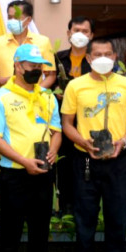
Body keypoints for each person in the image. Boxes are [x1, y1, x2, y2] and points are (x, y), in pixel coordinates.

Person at [61, 38, 126, 252]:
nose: (103, 58)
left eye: (108, 53)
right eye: (97, 54)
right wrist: (82, 141)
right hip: (85, 161)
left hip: (118, 161)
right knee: (84, 221)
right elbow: (67, 123)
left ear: (116, 57)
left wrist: (123, 141)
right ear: (88, 58)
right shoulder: (76, 86)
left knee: (117, 221)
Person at [0, 44, 61, 252]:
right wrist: (23, 161)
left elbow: (56, 131)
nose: (37, 70)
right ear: (17, 66)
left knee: (40, 226)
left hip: (44, 170)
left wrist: (53, 151)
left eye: (40, 66)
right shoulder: (1, 97)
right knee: (10, 226)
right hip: (14, 172)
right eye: (32, 65)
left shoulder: (48, 96)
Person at [53, 16, 95, 217]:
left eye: (85, 31)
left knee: (85, 162)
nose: (80, 34)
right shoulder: (57, 58)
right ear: (68, 33)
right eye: (76, 30)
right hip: (62, 118)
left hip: (88, 119)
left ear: (91, 35)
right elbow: (47, 84)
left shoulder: (95, 61)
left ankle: (85, 207)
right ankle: (64, 206)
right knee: (63, 163)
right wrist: (55, 92)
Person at [0, 0, 56, 89]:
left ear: (28, 20)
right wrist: (10, 82)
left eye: (16, 17)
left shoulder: (43, 42)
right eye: (10, 17)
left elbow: (51, 75)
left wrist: (37, 91)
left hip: (34, 95)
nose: (12, 21)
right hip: (7, 95)